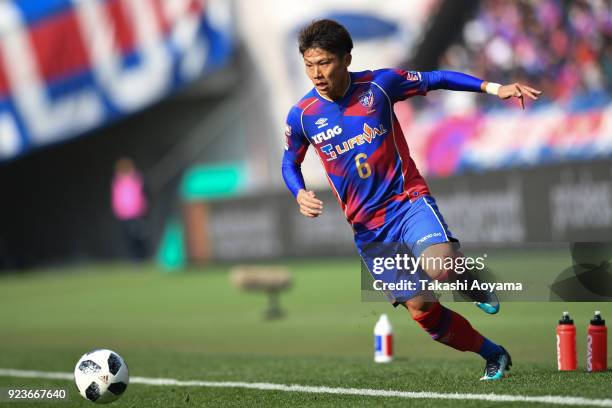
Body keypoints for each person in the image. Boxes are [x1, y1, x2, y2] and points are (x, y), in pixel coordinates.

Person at [281, 19, 541, 380]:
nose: (316, 73)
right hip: (369, 230)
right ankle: (492, 353)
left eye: (324, 62)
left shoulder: (379, 85)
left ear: (346, 58)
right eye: (309, 65)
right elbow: (289, 161)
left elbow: (435, 79)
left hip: (407, 201)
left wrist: (494, 88)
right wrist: (299, 193)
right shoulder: (303, 116)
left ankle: (467, 278)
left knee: (441, 266)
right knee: (422, 310)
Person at [111, 157, 150, 261]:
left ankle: (142, 257)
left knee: (139, 236)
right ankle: (134, 258)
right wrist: (117, 210)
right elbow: (116, 197)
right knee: (128, 238)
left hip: (137, 213)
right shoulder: (117, 182)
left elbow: (144, 194)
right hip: (124, 214)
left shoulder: (137, 179)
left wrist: (143, 208)